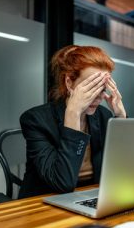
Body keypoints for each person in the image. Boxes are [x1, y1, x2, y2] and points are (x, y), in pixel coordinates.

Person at [18, 45, 126, 198]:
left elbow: (125, 172)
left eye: (102, 88)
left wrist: (121, 118)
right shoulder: (36, 120)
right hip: (45, 202)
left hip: (92, 195)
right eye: (91, 87)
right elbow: (62, 183)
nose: (99, 96)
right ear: (69, 83)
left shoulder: (103, 116)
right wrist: (73, 114)